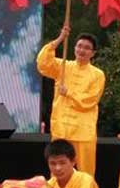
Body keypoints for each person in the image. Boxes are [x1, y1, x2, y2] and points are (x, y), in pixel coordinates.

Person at [37, 26, 105, 175]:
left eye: (87, 48)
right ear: (74, 48)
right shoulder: (63, 66)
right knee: (58, 170)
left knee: (85, 174)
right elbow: (43, 64)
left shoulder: (98, 74)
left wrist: (69, 93)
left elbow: (90, 100)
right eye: (79, 46)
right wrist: (60, 39)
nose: (82, 50)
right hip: (61, 128)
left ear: (93, 53)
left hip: (83, 131)